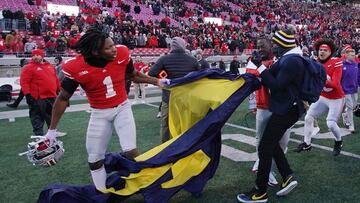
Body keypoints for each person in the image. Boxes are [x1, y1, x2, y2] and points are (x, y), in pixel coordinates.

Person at [44, 28, 169, 192]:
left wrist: (158, 82)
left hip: (122, 108)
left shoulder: (122, 53)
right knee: (94, 159)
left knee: (130, 151)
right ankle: (102, 193)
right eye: (109, 48)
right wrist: (52, 130)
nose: (114, 49)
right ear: (96, 52)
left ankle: (145, 185)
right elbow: (63, 98)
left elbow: (134, 75)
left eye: (113, 45)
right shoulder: (76, 66)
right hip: (99, 114)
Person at [237, 30, 306, 203]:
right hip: (287, 108)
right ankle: (287, 175)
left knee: (264, 146)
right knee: (270, 143)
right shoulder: (289, 59)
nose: (274, 48)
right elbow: (268, 76)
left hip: (287, 109)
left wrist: (259, 66)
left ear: (283, 45)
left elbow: (275, 86)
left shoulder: (292, 61)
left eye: (276, 45)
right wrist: (259, 68)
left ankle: (260, 192)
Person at [246, 38, 290, 187]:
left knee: (283, 141)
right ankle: (268, 169)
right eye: (258, 45)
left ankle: (267, 164)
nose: (260, 47)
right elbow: (250, 79)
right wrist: (252, 104)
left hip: (282, 106)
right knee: (261, 139)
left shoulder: (281, 58)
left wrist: (263, 68)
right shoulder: (253, 60)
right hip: (264, 105)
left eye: (263, 45)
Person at [295, 39, 345, 156]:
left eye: (325, 50)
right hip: (323, 96)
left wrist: (319, 79)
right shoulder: (315, 62)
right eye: (320, 50)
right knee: (308, 117)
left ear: (330, 52)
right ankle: (307, 143)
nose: (322, 52)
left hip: (336, 98)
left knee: (331, 123)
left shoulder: (336, 62)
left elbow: (335, 84)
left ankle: (338, 141)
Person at [148, 37, 200, 143]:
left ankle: (165, 149)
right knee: (186, 123)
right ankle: (185, 146)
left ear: (172, 46)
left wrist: (163, 78)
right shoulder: (192, 60)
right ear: (184, 45)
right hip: (186, 98)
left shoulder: (164, 59)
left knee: (165, 125)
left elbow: (151, 73)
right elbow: (200, 77)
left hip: (169, 97)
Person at [20, 49, 60, 136]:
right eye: (33, 55)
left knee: (52, 116)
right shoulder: (28, 67)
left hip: (51, 96)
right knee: (37, 117)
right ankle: (39, 135)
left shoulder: (50, 66)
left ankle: (52, 132)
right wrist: (27, 95)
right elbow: (24, 82)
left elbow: (55, 79)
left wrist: (58, 89)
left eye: (37, 55)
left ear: (42, 55)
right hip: (37, 97)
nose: (35, 57)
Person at [340, 46, 358, 133]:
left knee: (354, 106)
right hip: (345, 90)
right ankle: (351, 126)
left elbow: (358, 77)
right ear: (346, 55)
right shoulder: (342, 65)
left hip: (354, 89)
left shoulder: (356, 65)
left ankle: (345, 116)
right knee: (350, 107)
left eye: (354, 55)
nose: (354, 57)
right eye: (352, 55)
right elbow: (339, 79)